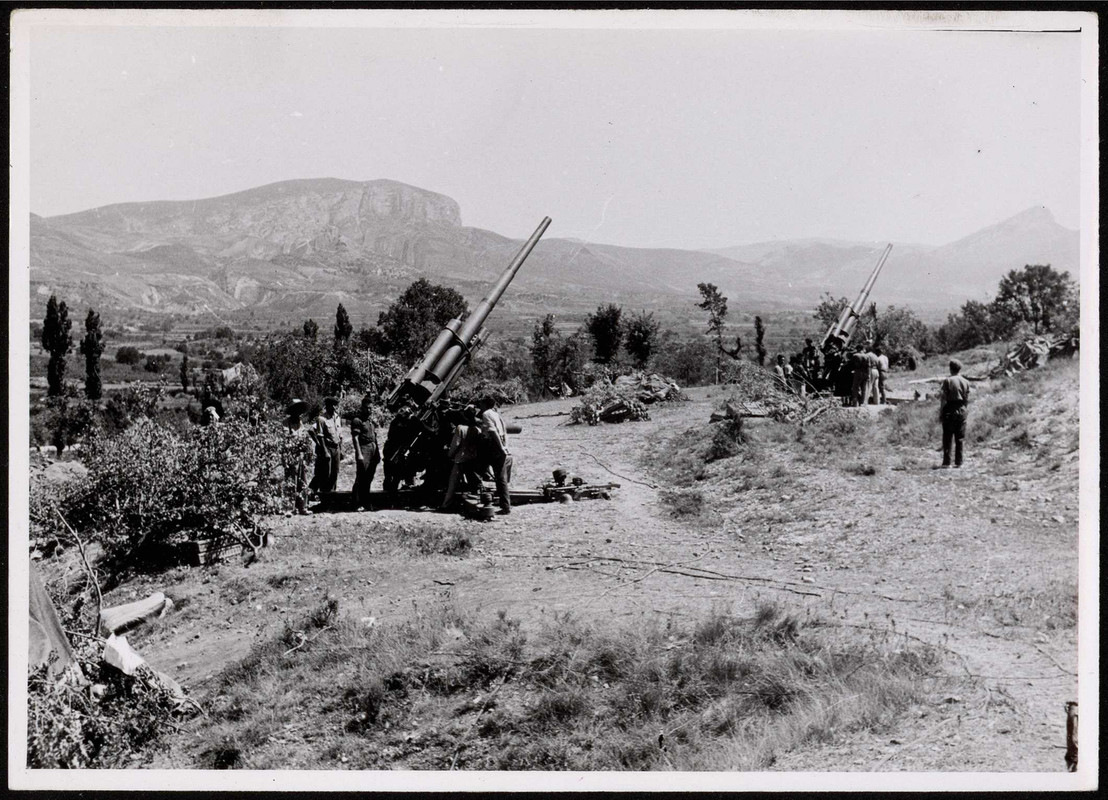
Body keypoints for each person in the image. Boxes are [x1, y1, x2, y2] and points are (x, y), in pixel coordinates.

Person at [441, 406, 483, 509]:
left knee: (453, 483)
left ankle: (446, 505)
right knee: (474, 480)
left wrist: (449, 455)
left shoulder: (460, 428)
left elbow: (456, 444)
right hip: (472, 458)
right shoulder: (477, 429)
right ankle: (479, 499)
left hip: (460, 459)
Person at [476, 396, 512, 515]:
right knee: (501, 477)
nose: (479, 405)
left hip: (491, 446)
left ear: (485, 404)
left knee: (475, 469)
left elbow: (492, 431)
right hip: (500, 445)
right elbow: (504, 431)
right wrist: (504, 446)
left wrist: (500, 447)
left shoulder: (486, 414)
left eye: (481, 403)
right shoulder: (496, 414)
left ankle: (475, 494)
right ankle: (506, 506)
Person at [349, 395, 381, 511]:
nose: (369, 410)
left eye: (371, 408)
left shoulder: (370, 421)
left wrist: (377, 454)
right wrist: (359, 454)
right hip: (364, 449)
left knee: (369, 478)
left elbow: (374, 437)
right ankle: (356, 503)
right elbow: (355, 438)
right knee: (361, 477)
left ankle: (366, 501)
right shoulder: (357, 420)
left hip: (372, 448)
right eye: (367, 408)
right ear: (362, 408)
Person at [283, 399, 314, 515]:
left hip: (301, 455)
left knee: (302, 480)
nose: (298, 413)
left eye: (299, 410)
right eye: (296, 410)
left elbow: (304, 437)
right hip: (291, 455)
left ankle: (303, 506)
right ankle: (288, 508)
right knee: (291, 481)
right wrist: (297, 442)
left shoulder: (301, 423)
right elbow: (287, 438)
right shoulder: (286, 423)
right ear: (292, 411)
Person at [938, 359, 971, 468]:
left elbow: (943, 399)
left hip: (949, 409)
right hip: (961, 409)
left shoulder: (947, 381)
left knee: (947, 436)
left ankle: (947, 462)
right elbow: (966, 399)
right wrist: (964, 409)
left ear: (950, 368)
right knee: (960, 437)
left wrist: (941, 412)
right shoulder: (966, 382)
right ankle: (959, 462)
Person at [311, 396, 342, 495]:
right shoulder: (321, 419)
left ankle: (332, 494)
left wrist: (341, 450)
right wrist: (324, 451)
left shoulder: (337, 418)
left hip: (336, 447)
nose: (334, 407)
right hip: (327, 448)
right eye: (332, 405)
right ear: (327, 406)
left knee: (335, 473)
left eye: (335, 405)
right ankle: (324, 496)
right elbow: (320, 436)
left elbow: (339, 435)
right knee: (326, 474)